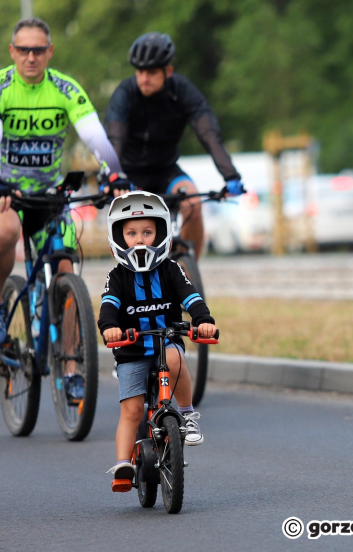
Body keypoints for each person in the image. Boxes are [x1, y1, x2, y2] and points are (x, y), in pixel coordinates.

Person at [0, 17, 126, 349]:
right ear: (12, 51)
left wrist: (114, 172)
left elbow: (94, 134)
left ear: (50, 51)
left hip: (49, 193)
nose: (31, 57)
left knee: (64, 267)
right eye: (24, 50)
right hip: (6, 190)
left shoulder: (65, 88)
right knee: (4, 232)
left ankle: (72, 363)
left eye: (38, 50)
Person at [97, 191, 217, 489]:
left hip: (167, 342)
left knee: (176, 359)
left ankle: (187, 414)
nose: (140, 240)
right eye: (131, 233)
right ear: (118, 238)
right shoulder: (117, 276)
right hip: (131, 351)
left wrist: (203, 320)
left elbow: (191, 297)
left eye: (148, 232)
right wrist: (110, 328)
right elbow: (108, 307)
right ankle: (123, 464)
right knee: (132, 411)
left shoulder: (171, 269)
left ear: (162, 234)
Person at [106, 32, 244, 260]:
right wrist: (113, 175)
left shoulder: (182, 91)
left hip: (166, 171)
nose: (144, 78)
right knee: (138, 223)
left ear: (168, 72)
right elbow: (114, 138)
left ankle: (188, 270)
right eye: (140, 72)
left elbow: (208, 133)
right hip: (129, 176)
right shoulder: (125, 93)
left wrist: (230, 175)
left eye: (151, 72)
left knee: (193, 205)